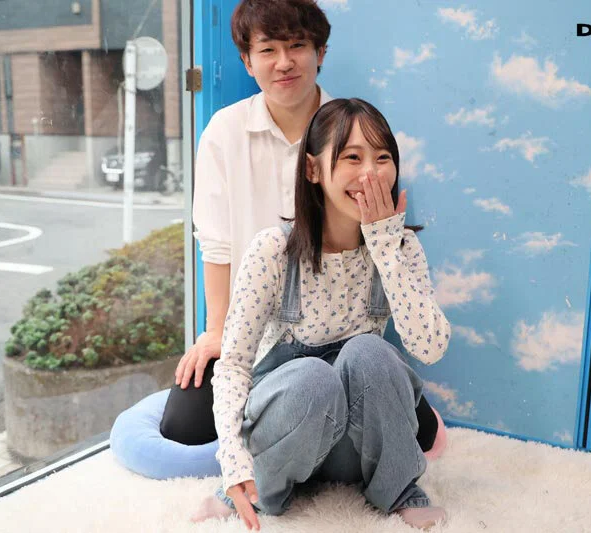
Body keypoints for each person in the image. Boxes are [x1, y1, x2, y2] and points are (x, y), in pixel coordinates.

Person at [159, 0, 445, 457]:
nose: (284, 62)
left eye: (297, 46)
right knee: (185, 425)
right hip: (255, 331)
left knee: (419, 432)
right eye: (267, 50)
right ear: (247, 61)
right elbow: (215, 243)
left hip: (340, 333)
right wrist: (216, 331)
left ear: (320, 53)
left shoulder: (351, 128)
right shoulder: (224, 132)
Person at [192, 98, 452, 530]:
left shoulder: (399, 248)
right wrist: (234, 463)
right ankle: (257, 492)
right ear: (313, 169)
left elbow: (430, 348)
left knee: (370, 352)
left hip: (354, 449)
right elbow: (234, 366)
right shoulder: (272, 251)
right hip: (289, 433)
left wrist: (385, 246)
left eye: (382, 158)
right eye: (352, 157)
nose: (370, 174)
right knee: (314, 377)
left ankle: (398, 489)